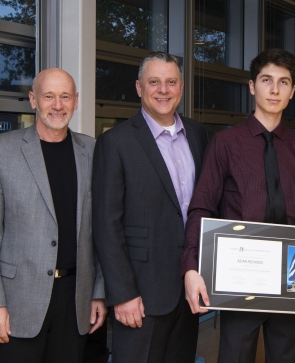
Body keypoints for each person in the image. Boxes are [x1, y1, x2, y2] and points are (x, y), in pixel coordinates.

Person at [182, 48, 295, 363]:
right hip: (239, 278)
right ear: (252, 86)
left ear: (292, 91)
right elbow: (201, 208)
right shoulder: (225, 143)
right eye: (267, 80)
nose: (275, 89)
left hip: (292, 278)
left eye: (284, 82)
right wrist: (191, 267)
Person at [0, 68, 107, 363]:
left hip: (76, 301)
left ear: (76, 100)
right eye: (48, 96)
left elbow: (101, 231)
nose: (58, 105)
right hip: (17, 303)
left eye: (65, 96)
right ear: (33, 100)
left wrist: (98, 292)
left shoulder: (94, 152)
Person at [92, 52, 209, 362]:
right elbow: (106, 225)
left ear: (181, 87)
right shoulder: (115, 142)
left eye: (171, 82)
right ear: (139, 87)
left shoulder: (198, 134)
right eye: (154, 82)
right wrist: (123, 294)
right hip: (140, 295)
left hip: (189, 290)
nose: (163, 90)